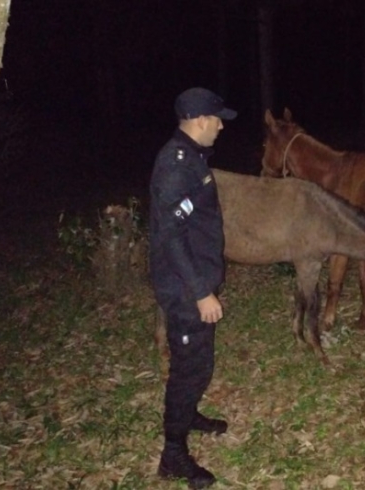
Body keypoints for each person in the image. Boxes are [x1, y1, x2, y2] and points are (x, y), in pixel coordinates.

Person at [149, 87, 237, 489]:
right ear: (200, 120)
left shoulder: (193, 156)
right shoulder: (176, 165)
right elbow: (171, 237)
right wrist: (201, 292)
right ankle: (173, 454)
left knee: (200, 364)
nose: (221, 125)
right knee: (189, 370)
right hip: (185, 288)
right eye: (217, 119)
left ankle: (189, 414)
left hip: (195, 280)